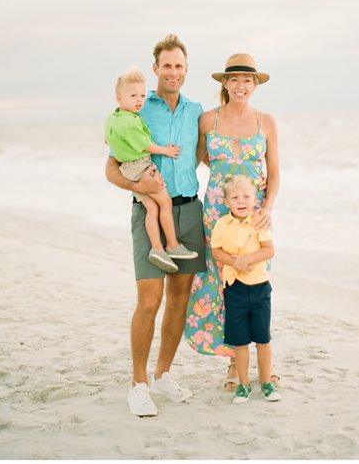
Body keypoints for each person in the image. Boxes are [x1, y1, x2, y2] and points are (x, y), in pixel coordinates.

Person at [105, 34, 206, 417]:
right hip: (148, 211)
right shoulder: (135, 108)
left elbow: (206, 155)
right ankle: (138, 383)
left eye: (179, 65)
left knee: (180, 300)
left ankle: (164, 374)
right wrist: (137, 186)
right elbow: (111, 167)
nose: (173, 71)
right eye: (167, 65)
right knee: (149, 301)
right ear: (156, 68)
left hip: (189, 211)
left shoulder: (196, 111)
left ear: (186, 69)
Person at [183, 52, 279, 391]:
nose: (241, 85)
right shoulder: (209, 120)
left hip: (255, 214)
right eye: (234, 79)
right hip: (216, 211)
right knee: (224, 283)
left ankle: (263, 362)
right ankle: (232, 365)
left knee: (256, 279)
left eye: (247, 80)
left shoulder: (266, 121)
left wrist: (266, 206)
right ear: (225, 83)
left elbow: (276, 173)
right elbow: (197, 162)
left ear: (254, 85)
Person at [105, 68, 198, 273]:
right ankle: (172, 245)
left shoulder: (114, 118)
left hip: (128, 168)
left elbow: (107, 139)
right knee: (165, 203)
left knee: (152, 208)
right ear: (119, 98)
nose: (139, 100)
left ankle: (157, 248)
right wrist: (166, 151)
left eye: (141, 95)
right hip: (141, 167)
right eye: (133, 96)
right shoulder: (130, 122)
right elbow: (146, 144)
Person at [209, 175, 281, 403]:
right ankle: (244, 384)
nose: (242, 201)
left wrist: (248, 258)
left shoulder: (258, 221)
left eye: (247, 196)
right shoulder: (221, 224)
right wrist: (235, 261)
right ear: (227, 202)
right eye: (235, 197)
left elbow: (269, 250)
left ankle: (267, 382)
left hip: (260, 287)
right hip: (234, 288)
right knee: (240, 341)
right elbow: (216, 251)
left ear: (254, 199)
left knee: (263, 338)